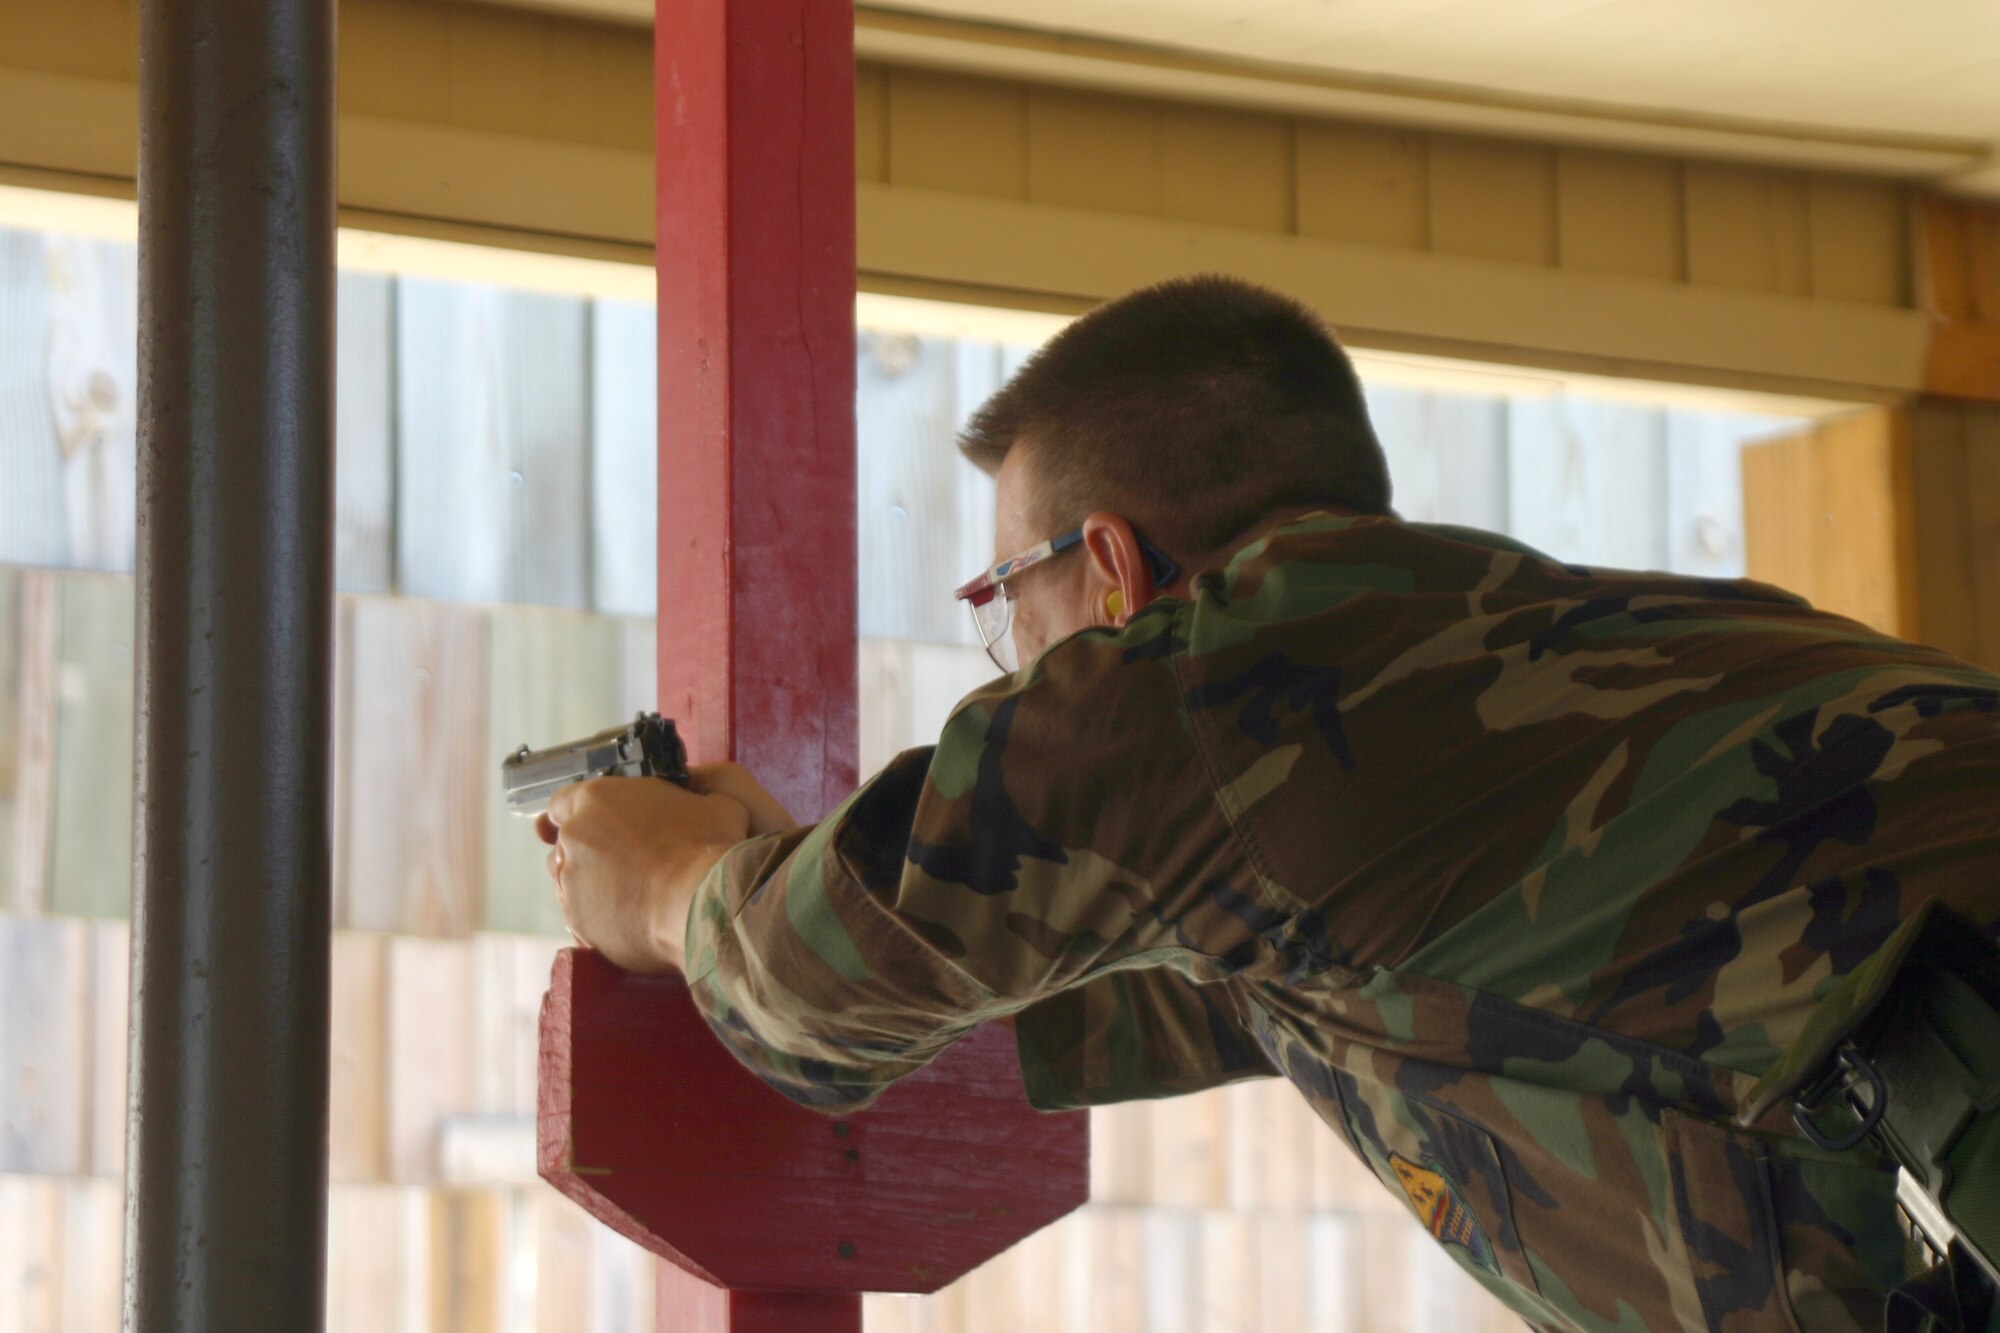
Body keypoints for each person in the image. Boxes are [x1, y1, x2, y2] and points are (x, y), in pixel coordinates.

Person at [538, 276, 2000, 1333]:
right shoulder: (1462, 671)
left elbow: (812, 987)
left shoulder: (1198, 682)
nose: (1017, 655)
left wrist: (665, 891)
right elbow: (1170, 989)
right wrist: (785, 862)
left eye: (1009, 598)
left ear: (1109, 570)